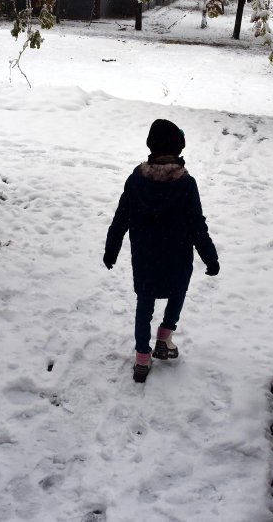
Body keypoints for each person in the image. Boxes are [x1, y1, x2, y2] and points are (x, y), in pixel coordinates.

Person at [104, 119, 219, 383]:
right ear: (178, 149)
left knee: (144, 304)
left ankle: (142, 358)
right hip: (177, 256)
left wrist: (111, 249)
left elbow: (121, 217)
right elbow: (197, 225)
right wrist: (210, 258)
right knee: (177, 294)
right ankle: (164, 338)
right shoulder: (186, 184)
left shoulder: (136, 180)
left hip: (144, 256)